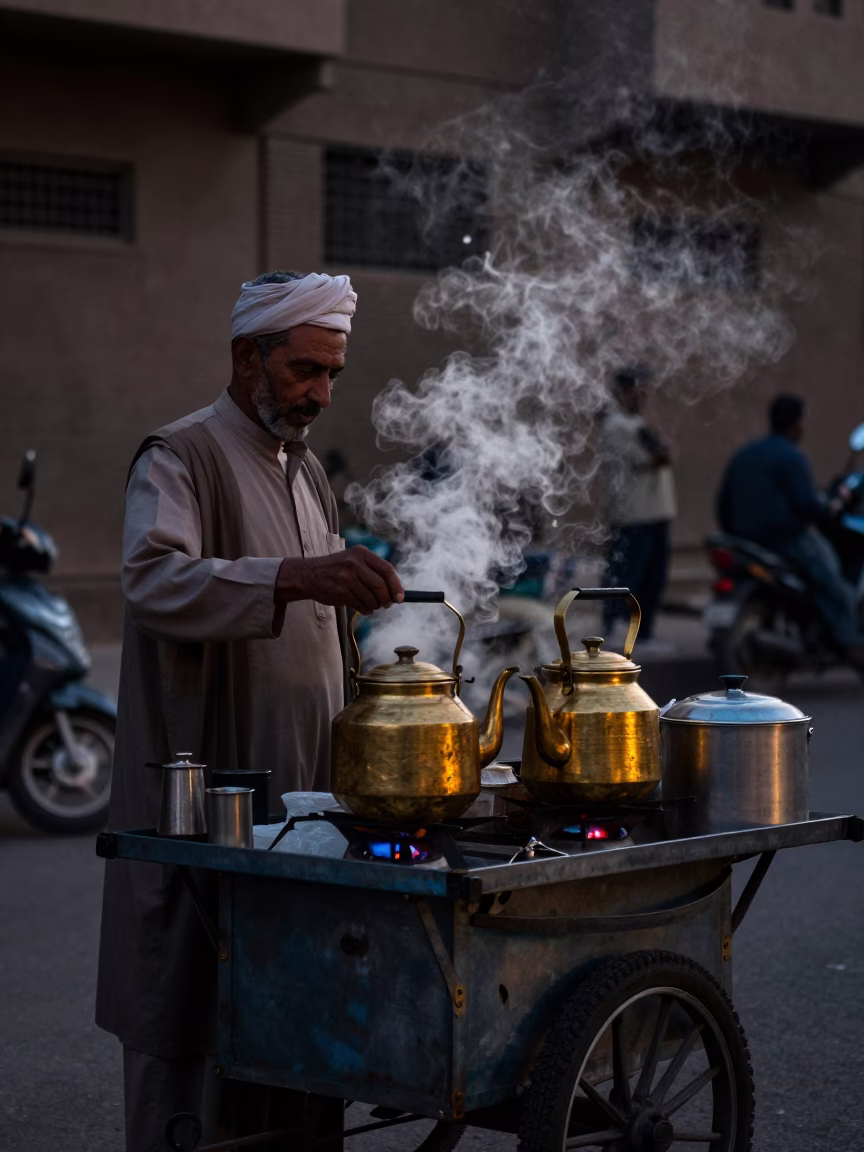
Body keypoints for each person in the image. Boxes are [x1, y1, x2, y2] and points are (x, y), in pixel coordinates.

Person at [96, 270, 404, 1151]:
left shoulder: (309, 478)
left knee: (303, 1027)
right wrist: (296, 577)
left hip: (302, 814)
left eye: (333, 374)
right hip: (206, 804)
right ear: (248, 356)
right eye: (306, 371)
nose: (322, 393)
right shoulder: (180, 455)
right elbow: (153, 579)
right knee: (192, 1023)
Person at [717, 392, 864, 662]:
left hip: (741, 540)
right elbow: (807, 505)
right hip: (786, 540)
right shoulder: (791, 456)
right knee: (835, 586)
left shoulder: (745, 453)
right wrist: (827, 511)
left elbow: (723, 502)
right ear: (796, 424)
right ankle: (852, 644)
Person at [599, 366, 677, 645]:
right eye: (637, 389)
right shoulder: (616, 425)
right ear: (623, 392)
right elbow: (656, 456)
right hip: (633, 515)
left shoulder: (635, 423)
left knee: (652, 577)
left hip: (655, 512)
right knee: (626, 576)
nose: (643, 395)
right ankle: (612, 629)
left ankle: (644, 633)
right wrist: (661, 448)